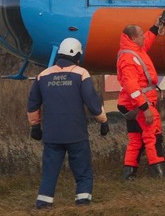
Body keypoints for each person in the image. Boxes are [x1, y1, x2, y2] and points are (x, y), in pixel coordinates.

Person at [27, 37, 109, 210]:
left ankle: (43, 203)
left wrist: (35, 126)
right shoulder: (81, 73)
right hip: (76, 134)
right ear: (76, 55)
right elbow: (92, 102)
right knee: (83, 172)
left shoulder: (43, 75)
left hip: (52, 135)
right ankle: (82, 203)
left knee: (50, 172)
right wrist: (103, 120)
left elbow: (33, 103)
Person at [116, 14, 165, 179]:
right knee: (153, 137)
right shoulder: (128, 58)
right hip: (140, 103)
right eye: (140, 34)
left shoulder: (133, 49)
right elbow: (132, 87)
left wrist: (154, 27)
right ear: (133, 38)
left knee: (136, 139)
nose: (143, 37)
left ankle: (129, 174)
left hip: (132, 103)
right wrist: (145, 108)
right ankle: (158, 173)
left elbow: (146, 41)